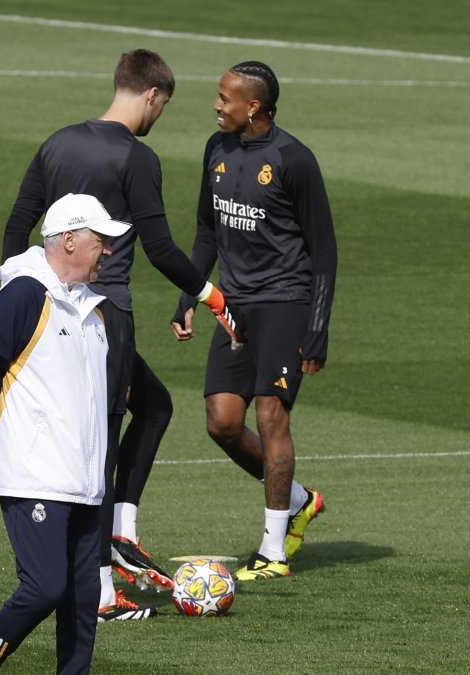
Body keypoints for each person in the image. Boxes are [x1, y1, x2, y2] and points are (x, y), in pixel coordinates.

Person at [1, 48, 240, 620]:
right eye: (163, 106)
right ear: (153, 95)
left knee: (153, 406)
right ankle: (103, 590)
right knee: (101, 444)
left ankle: (122, 536)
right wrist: (211, 295)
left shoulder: (57, 142)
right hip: (108, 319)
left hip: (50, 311)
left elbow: (17, 227)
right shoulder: (137, 157)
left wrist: (18, 296)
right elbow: (159, 248)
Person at [171, 61, 333, 581]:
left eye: (225, 98)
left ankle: (272, 550)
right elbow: (206, 229)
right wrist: (190, 294)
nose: (217, 106)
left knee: (270, 417)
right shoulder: (215, 150)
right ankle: (300, 500)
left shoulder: (293, 159)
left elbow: (324, 250)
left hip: (286, 303)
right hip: (234, 306)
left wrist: (318, 328)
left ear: (254, 106)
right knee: (221, 422)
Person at [0, 193, 128, 675]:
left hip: (86, 483)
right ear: (70, 241)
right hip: (36, 476)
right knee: (44, 588)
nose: (109, 251)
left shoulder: (94, 311)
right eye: (101, 240)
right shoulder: (24, 295)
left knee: (82, 603)